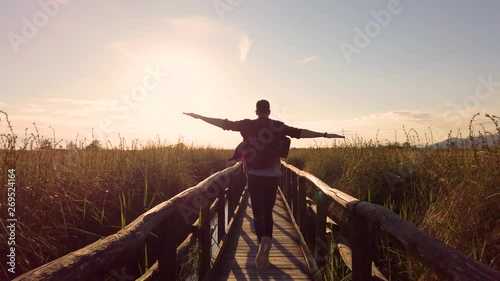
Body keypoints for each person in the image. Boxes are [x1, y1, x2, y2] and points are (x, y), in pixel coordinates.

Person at [183, 100, 344, 271]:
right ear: (269, 111)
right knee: (268, 211)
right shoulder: (277, 125)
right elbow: (299, 133)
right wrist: (325, 135)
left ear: (256, 111)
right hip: (272, 175)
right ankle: (267, 239)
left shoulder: (246, 125)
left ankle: (262, 239)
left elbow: (224, 124)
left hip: (253, 174)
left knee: (258, 212)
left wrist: (200, 117)